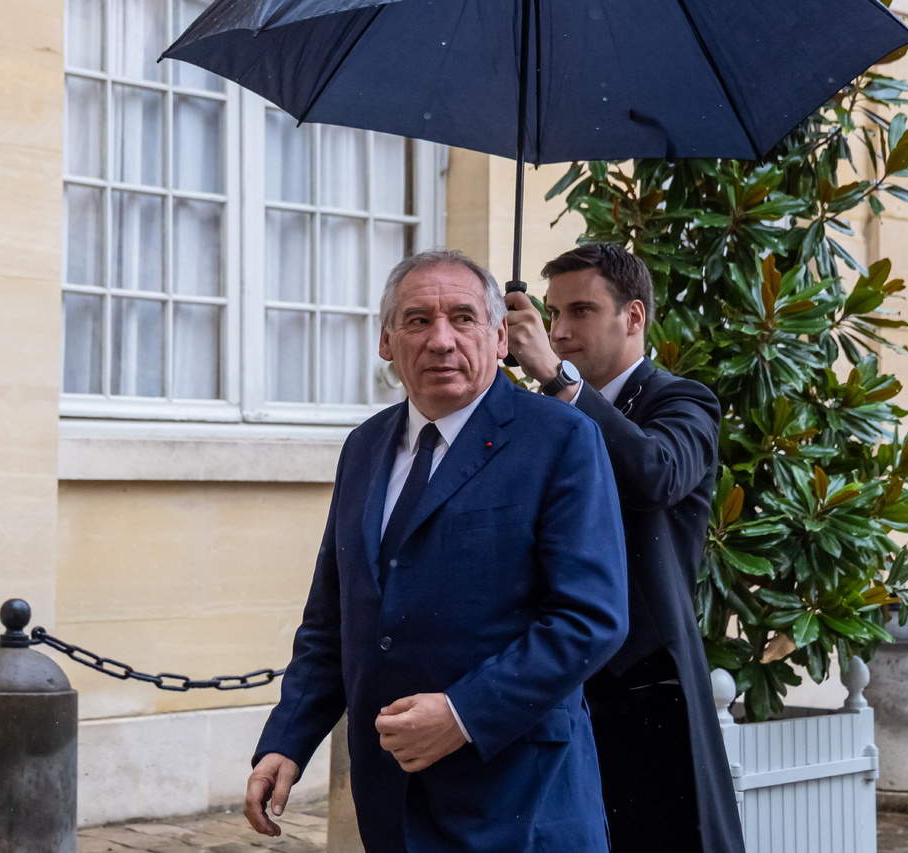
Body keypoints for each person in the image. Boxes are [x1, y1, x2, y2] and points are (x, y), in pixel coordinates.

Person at [244, 249, 629, 853]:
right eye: (418, 320)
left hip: (518, 800)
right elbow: (333, 618)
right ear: (386, 341)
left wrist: (463, 714)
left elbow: (591, 618)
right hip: (390, 801)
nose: (441, 340)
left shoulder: (561, 438)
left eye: (464, 318)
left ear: (500, 339)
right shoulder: (363, 447)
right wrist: (286, 741)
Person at [505, 243, 746, 852]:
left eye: (580, 311)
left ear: (633, 316)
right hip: (558, 683)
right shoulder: (539, 414)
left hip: (648, 691)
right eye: (551, 314)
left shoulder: (683, 401)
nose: (559, 331)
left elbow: (654, 474)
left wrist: (559, 381)